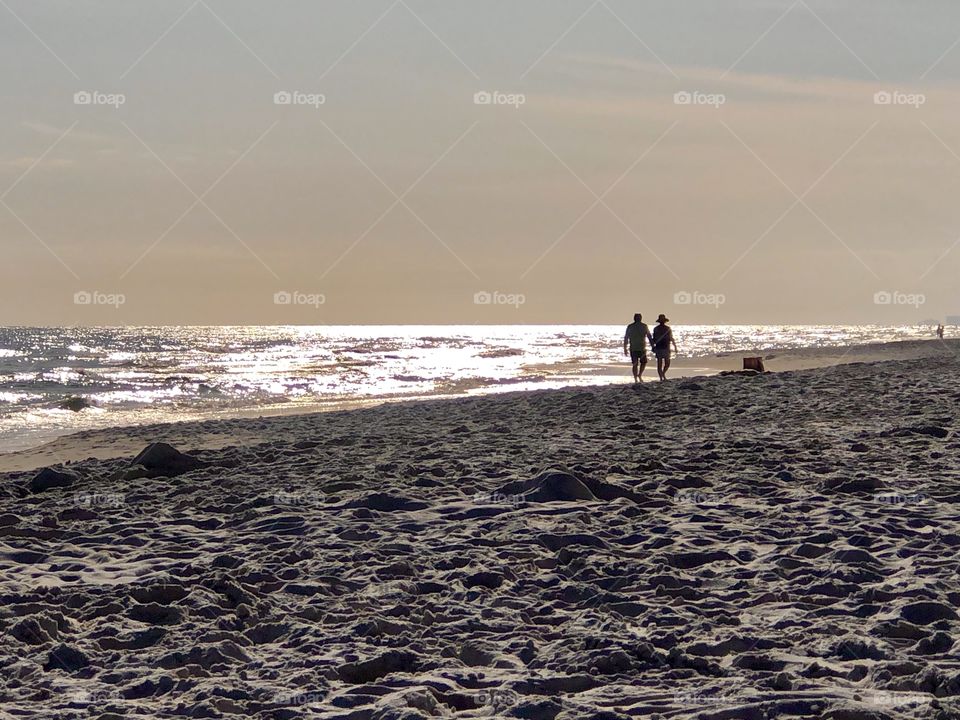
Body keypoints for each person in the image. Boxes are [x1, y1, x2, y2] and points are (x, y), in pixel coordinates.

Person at [623, 313, 654, 383]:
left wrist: (625, 348)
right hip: (637, 348)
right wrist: (652, 345)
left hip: (638, 348)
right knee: (639, 363)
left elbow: (649, 336)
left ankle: (638, 376)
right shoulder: (633, 326)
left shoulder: (641, 326)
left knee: (639, 363)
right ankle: (637, 377)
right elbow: (649, 336)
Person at [652, 314, 678, 381]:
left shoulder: (667, 328)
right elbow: (654, 339)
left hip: (666, 347)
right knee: (660, 363)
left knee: (667, 363)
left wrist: (675, 346)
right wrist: (653, 346)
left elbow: (671, 338)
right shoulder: (656, 329)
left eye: (663, 321)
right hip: (659, 347)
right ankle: (661, 377)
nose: (662, 322)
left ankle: (663, 374)